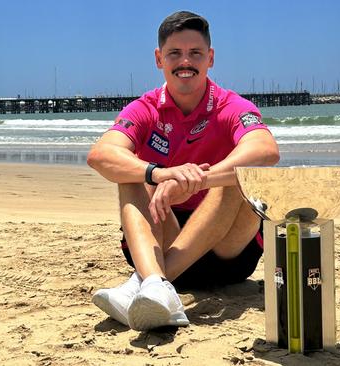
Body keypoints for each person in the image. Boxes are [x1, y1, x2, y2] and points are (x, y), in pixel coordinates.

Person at [87, 10, 279, 331]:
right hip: (161, 242)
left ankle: (148, 284)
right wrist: (161, 174)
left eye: (195, 53)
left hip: (228, 253)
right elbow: (101, 155)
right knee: (132, 175)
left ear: (210, 58)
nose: (185, 61)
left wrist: (198, 179)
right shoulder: (145, 108)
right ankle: (157, 286)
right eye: (175, 53)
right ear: (159, 59)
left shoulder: (232, 106)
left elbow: (265, 151)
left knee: (238, 177)